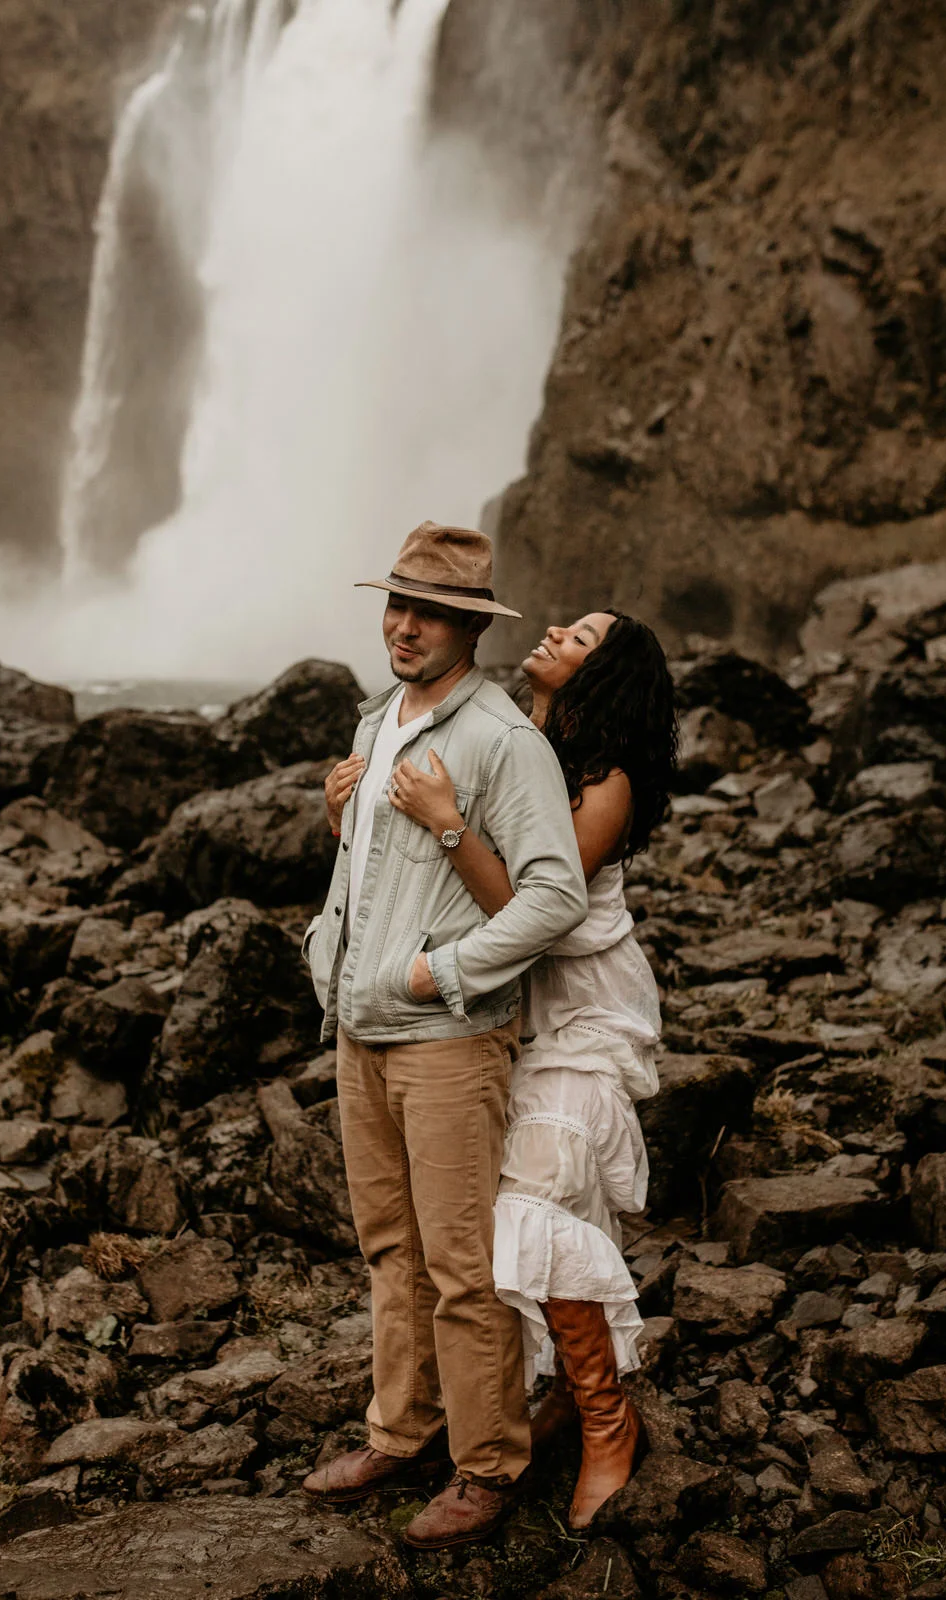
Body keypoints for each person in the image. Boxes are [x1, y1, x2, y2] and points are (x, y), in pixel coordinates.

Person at [300, 521, 588, 1550]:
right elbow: (371, 866)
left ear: (469, 624)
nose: (403, 623)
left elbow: (553, 895)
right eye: (395, 603)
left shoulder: (502, 740)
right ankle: (400, 1428)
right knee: (389, 1249)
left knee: (461, 1264)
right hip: (362, 1028)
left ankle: (488, 1465)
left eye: (426, 610)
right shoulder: (382, 720)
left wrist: (447, 970)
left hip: (447, 1037)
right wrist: (322, 947)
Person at [388, 608, 678, 1530]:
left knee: (528, 1207)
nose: (554, 630)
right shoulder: (525, 745)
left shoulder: (607, 781)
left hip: (585, 1015)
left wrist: (443, 825)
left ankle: (606, 1422)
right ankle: (558, 1397)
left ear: (607, 674)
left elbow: (533, 910)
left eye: (583, 636)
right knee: (554, 1208)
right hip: (513, 1016)